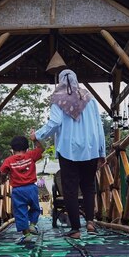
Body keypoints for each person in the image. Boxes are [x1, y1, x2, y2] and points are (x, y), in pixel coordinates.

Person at [34, 69, 106, 239]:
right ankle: (90, 222)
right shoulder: (89, 98)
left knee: (70, 189)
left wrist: (37, 135)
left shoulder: (58, 99)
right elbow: (99, 125)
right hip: (91, 148)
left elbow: (55, 122)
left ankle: (75, 229)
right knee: (89, 186)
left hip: (68, 149)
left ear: (60, 81)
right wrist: (102, 151)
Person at [0, 133, 44, 244]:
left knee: (20, 212)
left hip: (18, 190)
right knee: (35, 208)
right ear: (26, 148)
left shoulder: (8, 160)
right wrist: (35, 139)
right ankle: (33, 225)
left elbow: (2, 172)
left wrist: (2, 180)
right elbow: (41, 149)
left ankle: (27, 235)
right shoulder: (31, 155)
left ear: (12, 149)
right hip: (31, 188)